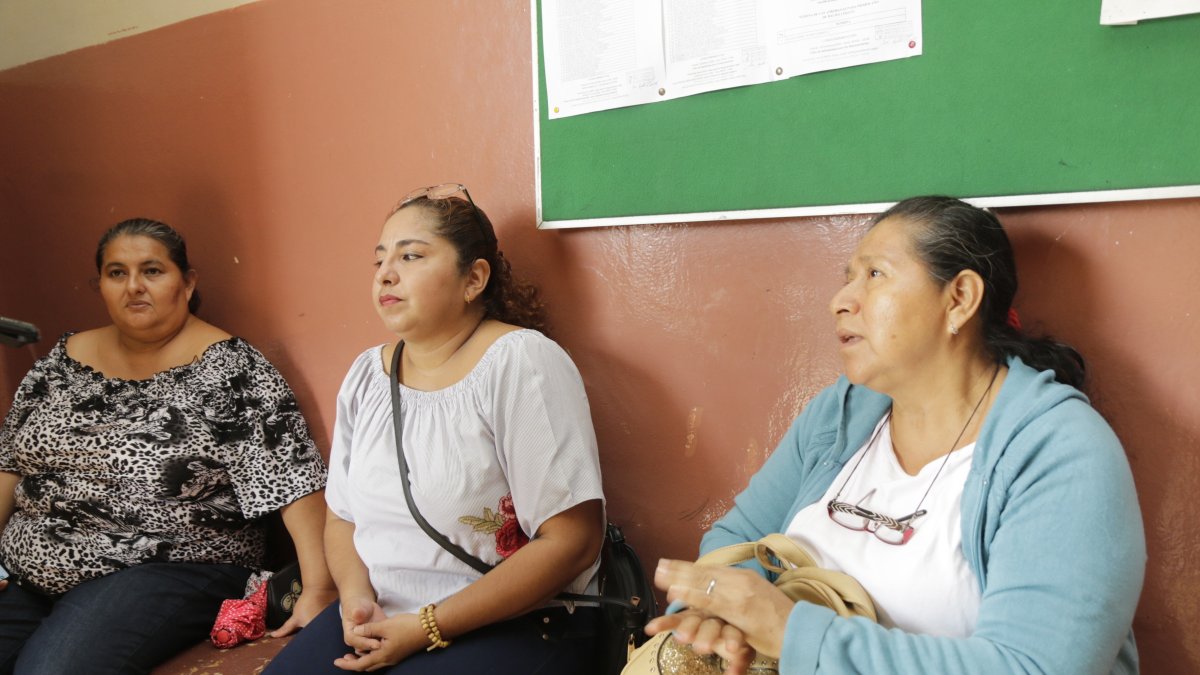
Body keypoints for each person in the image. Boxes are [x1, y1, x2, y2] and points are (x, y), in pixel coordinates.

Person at [650, 196, 1146, 674]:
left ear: (959, 299)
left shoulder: (1060, 451)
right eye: (847, 279)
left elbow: (1036, 666)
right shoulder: (840, 414)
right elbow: (736, 540)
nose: (840, 301)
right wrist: (718, 615)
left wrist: (791, 632)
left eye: (874, 275)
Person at [264, 184, 606, 674]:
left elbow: (571, 541)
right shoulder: (367, 374)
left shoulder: (521, 363)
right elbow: (342, 515)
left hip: (514, 619)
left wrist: (426, 627)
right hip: (388, 612)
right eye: (380, 259)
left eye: (411, 256)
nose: (386, 273)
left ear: (474, 279)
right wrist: (357, 599)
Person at [0, 218, 334, 674]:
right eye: (117, 273)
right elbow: (10, 465)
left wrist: (318, 588)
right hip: (29, 571)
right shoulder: (59, 362)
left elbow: (291, 480)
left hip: (167, 567)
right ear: (99, 284)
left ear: (187, 281)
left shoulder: (230, 369)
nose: (134, 286)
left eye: (152, 271)